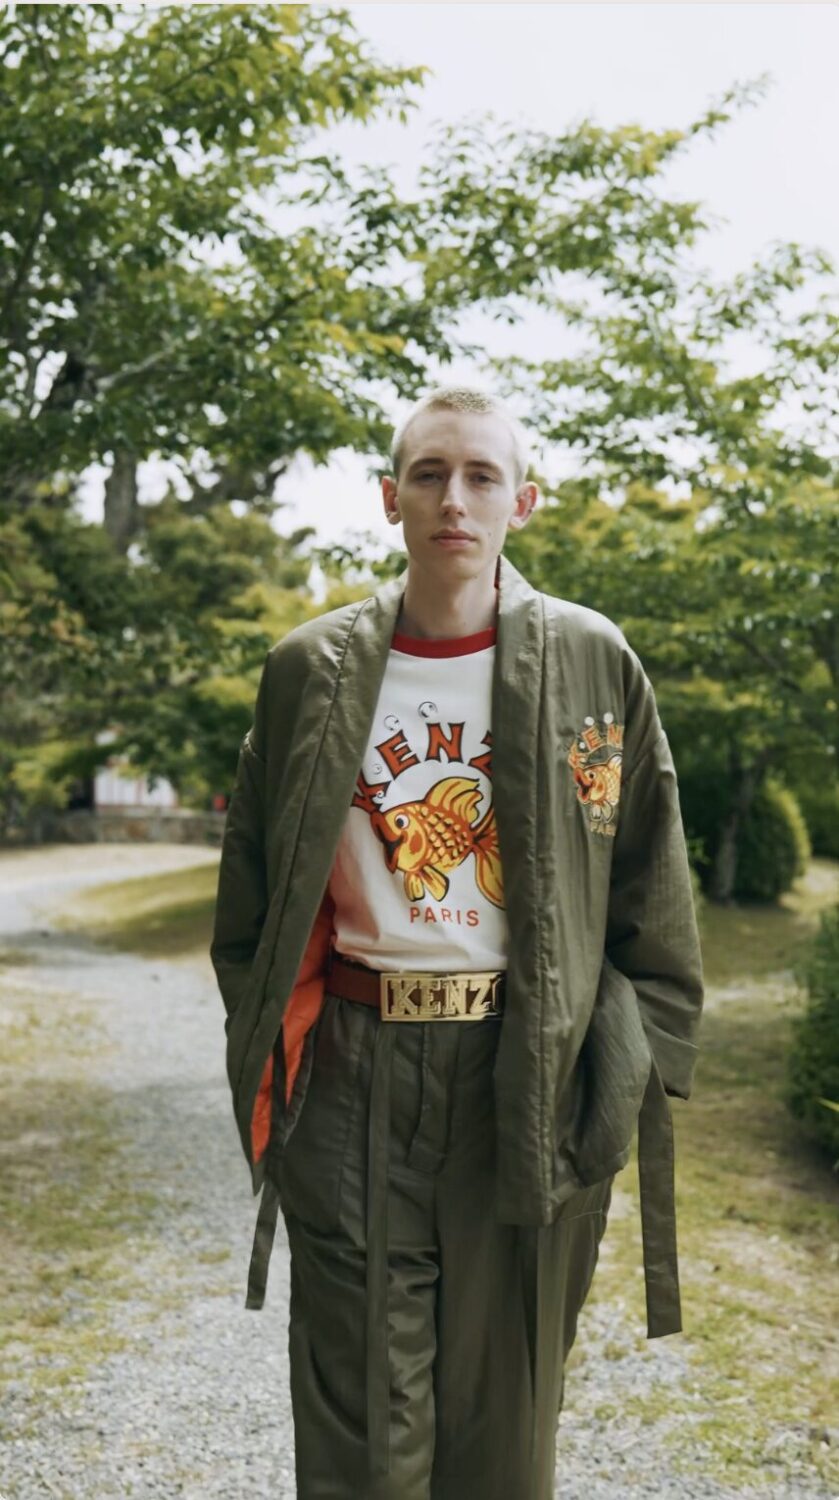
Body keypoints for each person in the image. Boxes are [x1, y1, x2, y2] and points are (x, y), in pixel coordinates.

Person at [210, 384, 704, 1500]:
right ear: (389, 498)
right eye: (429, 474)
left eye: (481, 476)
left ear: (522, 501)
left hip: (525, 1074)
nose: (453, 499)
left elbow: (649, 883)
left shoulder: (591, 664)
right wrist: (279, 1059)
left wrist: (626, 1071)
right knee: (362, 1446)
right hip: (352, 1076)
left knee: (503, 1436)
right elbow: (249, 904)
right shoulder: (308, 669)